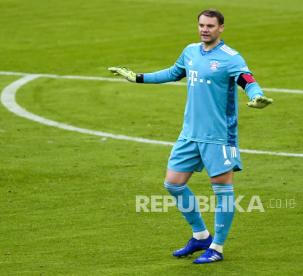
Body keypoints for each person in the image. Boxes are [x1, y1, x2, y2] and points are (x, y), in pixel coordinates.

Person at [108, 9, 273, 264]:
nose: (204, 29)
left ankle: (217, 247)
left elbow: (247, 79)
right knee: (173, 183)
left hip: (218, 136)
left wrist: (255, 95)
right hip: (190, 134)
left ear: (221, 28)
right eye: (201, 25)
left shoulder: (230, 58)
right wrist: (138, 78)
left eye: (210, 26)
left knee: (221, 189)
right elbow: (172, 72)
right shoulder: (191, 51)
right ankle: (201, 236)